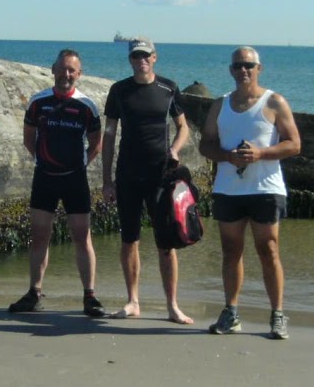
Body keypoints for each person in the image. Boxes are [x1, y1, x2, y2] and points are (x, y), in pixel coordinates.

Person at [198, 46, 301, 340]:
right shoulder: (220, 105)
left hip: (265, 188)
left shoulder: (275, 102)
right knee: (231, 251)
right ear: (231, 70)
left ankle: (278, 315)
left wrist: (261, 153)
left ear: (259, 68)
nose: (243, 71)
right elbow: (206, 144)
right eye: (237, 66)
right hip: (229, 189)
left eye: (249, 65)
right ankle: (231, 312)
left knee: (268, 249)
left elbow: (294, 144)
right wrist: (228, 156)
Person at [8, 49, 107, 317]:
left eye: (71, 70)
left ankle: (89, 296)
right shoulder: (39, 102)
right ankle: (34, 293)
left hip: (76, 180)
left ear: (79, 74)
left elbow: (96, 144)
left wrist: (79, 166)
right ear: (53, 69)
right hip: (45, 178)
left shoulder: (87, 105)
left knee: (82, 236)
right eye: (62, 69)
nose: (66, 75)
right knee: (40, 237)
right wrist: (45, 162)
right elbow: (29, 140)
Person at [101, 38, 194, 324]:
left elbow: (183, 128)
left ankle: (172, 306)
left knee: (166, 242)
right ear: (130, 60)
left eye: (145, 56)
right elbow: (108, 135)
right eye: (135, 56)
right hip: (128, 174)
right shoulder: (119, 90)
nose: (140, 60)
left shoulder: (169, 88)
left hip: (160, 176)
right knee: (129, 239)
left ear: (154, 58)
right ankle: (133, 301)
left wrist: (175, 150)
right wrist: (107, 180)